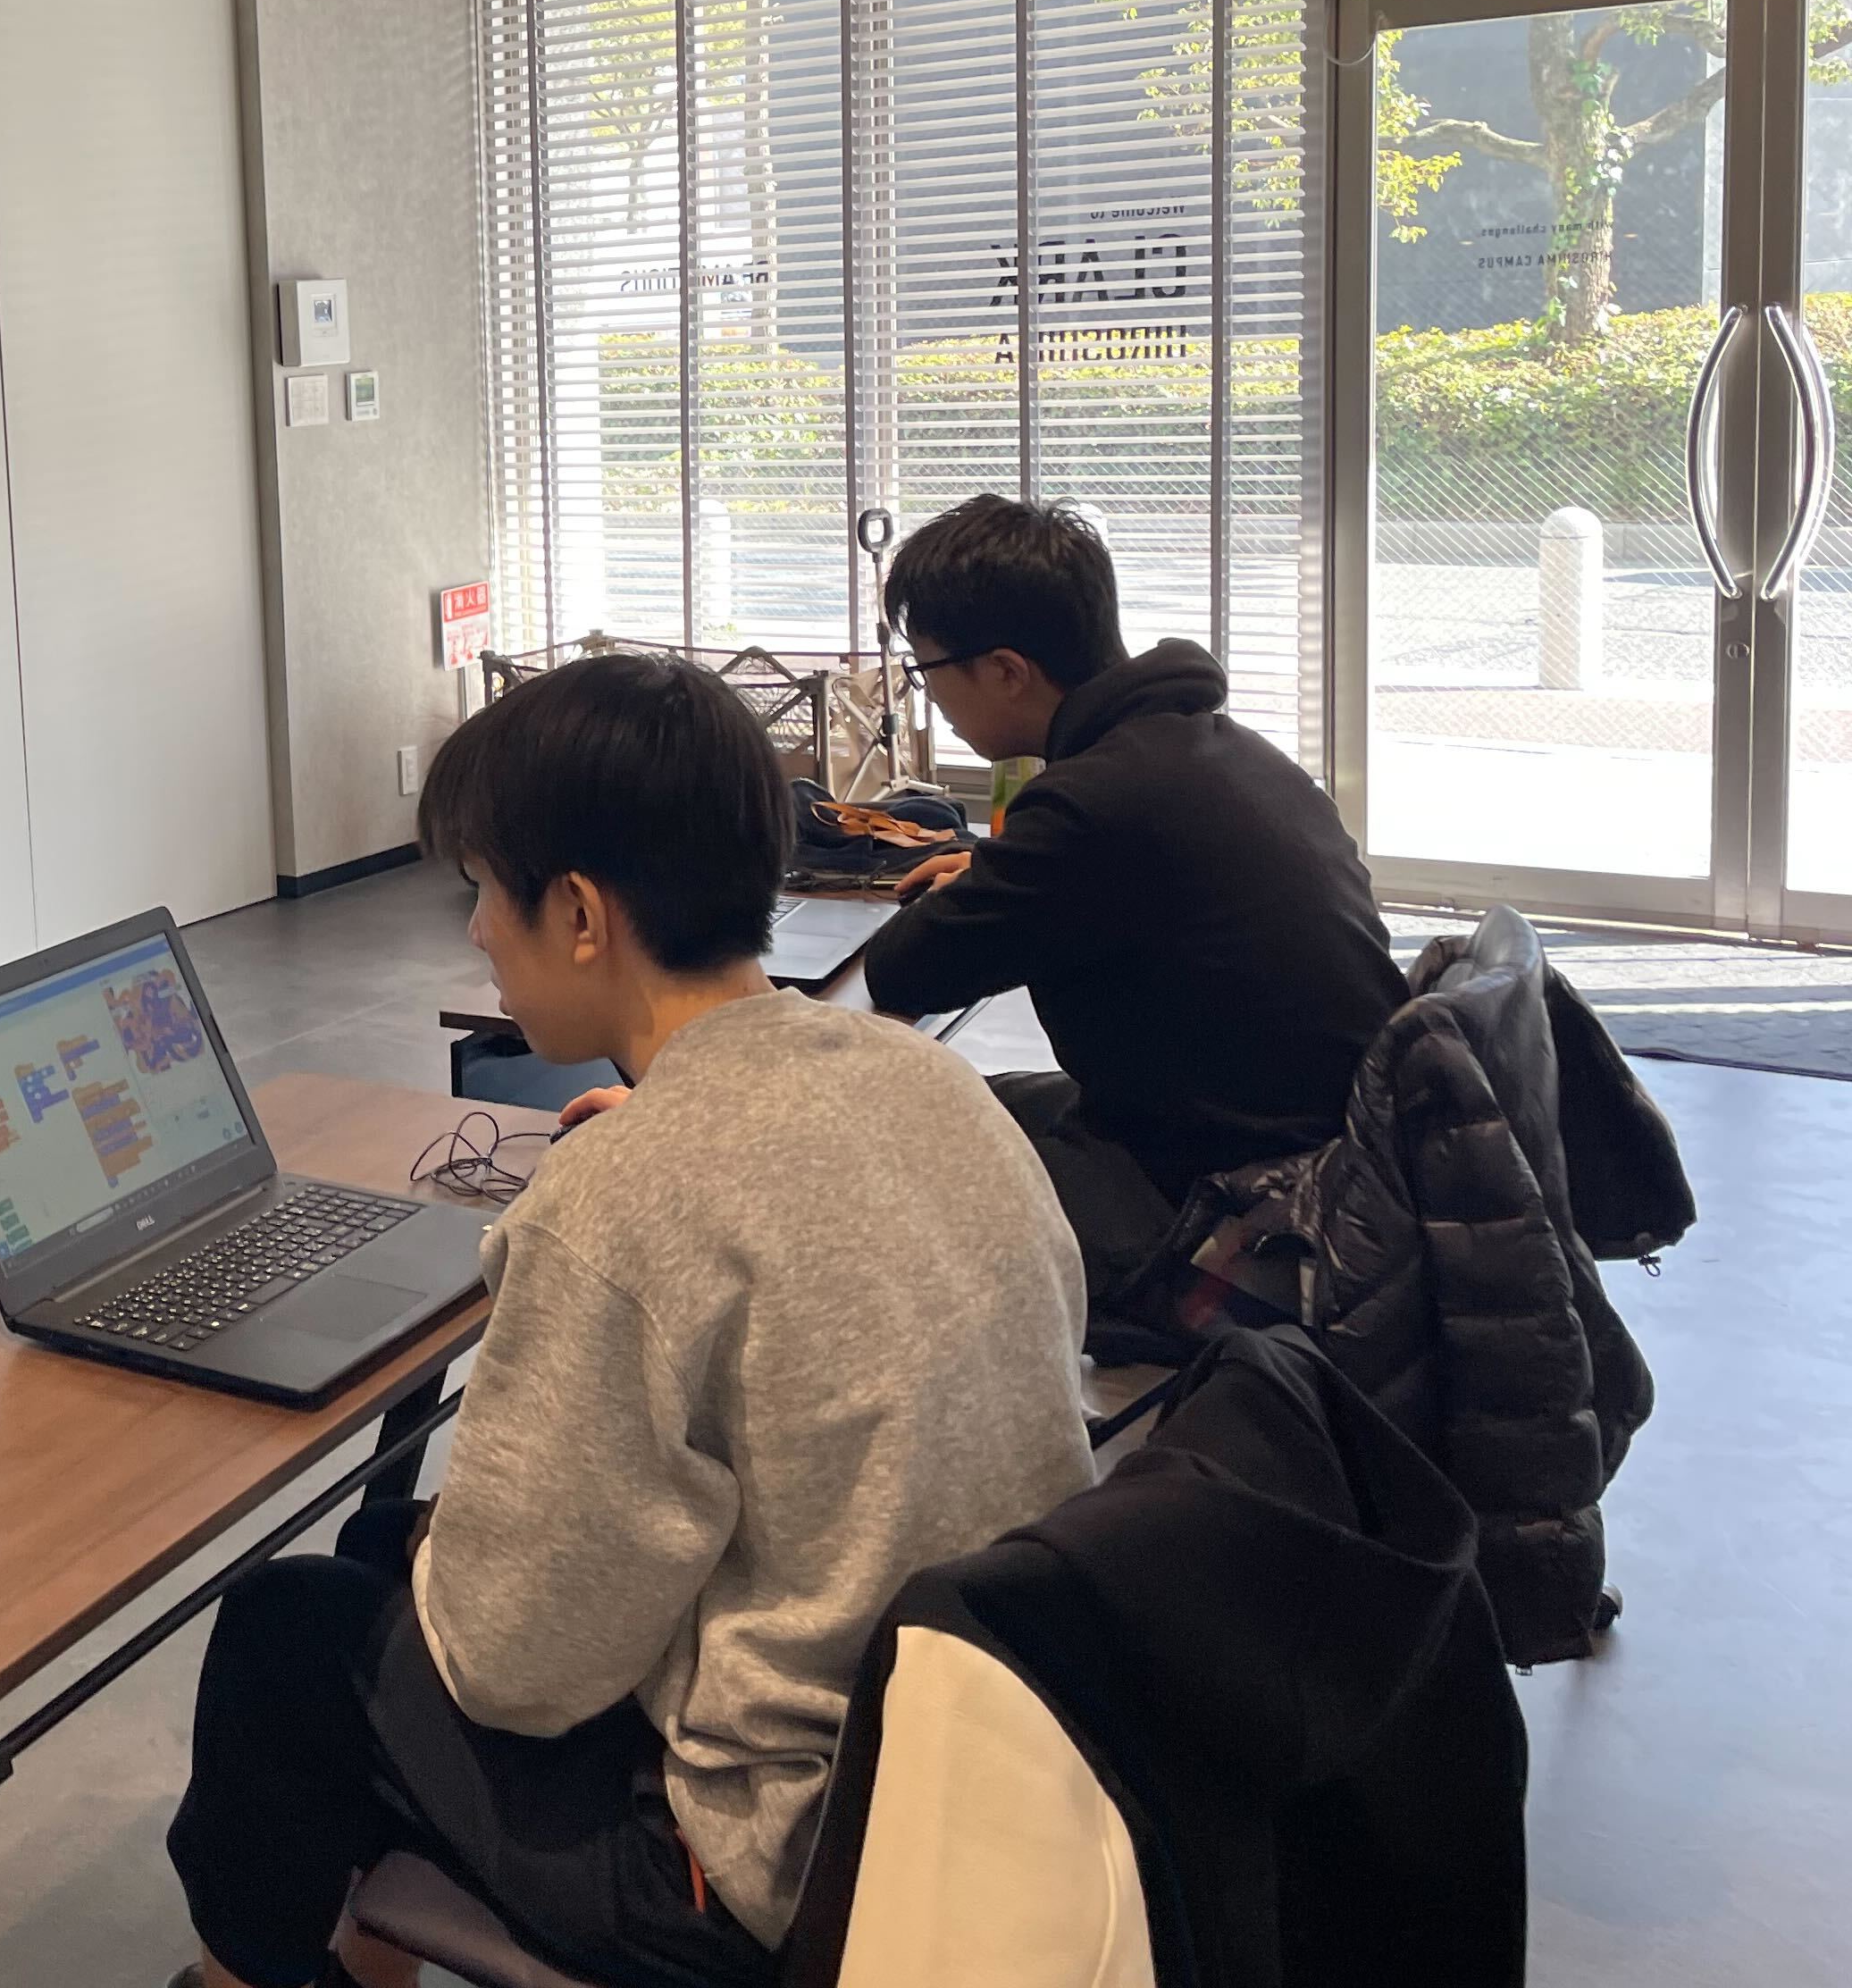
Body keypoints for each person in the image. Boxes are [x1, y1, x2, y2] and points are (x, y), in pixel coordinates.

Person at [163, 654, 1094, 1988]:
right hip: (986, 1763)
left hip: (768, 1871)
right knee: (384, 1553)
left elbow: (512, 1668)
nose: (476, 933)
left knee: (288, 1631)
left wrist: (584, 1242)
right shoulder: (932, 1084)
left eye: (483, 892)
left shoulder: (626, 1200)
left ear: (581, 914)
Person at [862, 494, 1405, 1310]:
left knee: (871, 1164)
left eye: (927, 671)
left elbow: (904, 970)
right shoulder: (1213, 748)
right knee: (941, 1102)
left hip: (1242, 1210)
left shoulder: (1094, 805)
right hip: (1335, 1157)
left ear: (1006, 671)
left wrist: (996, 877)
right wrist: (998, 872)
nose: (928, 696)